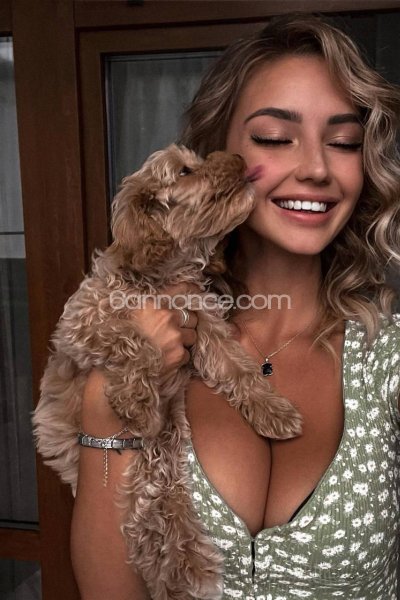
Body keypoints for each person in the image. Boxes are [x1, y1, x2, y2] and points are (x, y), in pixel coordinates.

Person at [70, 13, 400, 600]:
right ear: (216, 154)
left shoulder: (388, 357)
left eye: (344, 142)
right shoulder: (148, 334)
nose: (317, 168)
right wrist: (107, 403)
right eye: (274, 137)